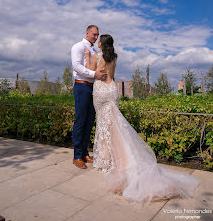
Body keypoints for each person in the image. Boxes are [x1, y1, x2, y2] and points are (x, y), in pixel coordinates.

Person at [84, 34, 200, 206]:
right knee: (115, 126)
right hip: (112, 89)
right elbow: (109, 74)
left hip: (101, 91)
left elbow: (92, 72)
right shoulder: (113, 57)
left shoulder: (96, 55)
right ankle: (116, 157)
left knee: (104, 125)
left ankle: (107, 160)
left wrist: (87, 58)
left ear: (101, 43)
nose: (97, 41)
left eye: (99, 39)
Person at [71, 25, 106, 169]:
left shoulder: (93, 50)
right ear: (87, 33)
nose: (96, 37)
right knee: (80, 121)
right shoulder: (78, 47)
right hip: (82, 86)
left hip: (93, 88)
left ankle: (85, 152)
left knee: (89, 121)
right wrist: (94, 74)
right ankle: (77, 156)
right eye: (94, 34)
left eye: (97, 35)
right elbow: (76, 66)